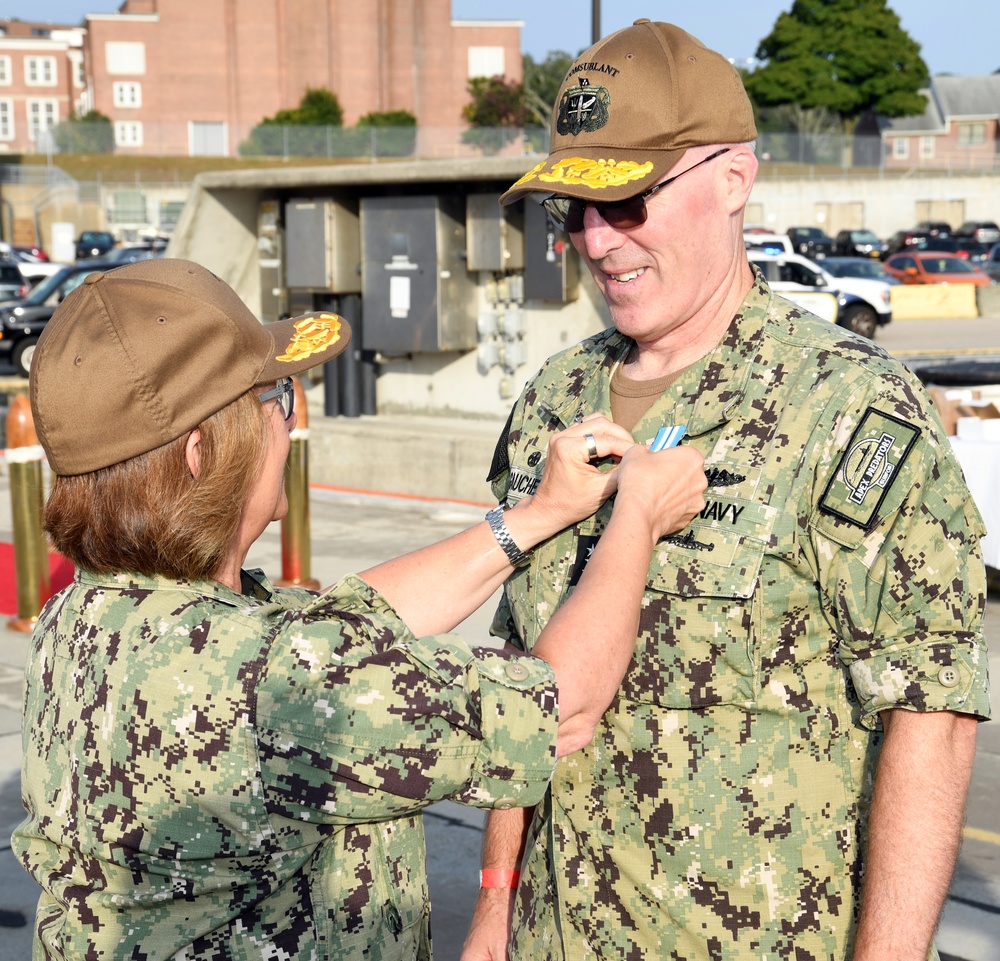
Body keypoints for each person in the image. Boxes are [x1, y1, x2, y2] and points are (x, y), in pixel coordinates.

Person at [463, 19, 992, 961]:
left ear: (734, 180)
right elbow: (520, 675)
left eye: (627, 203)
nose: (597, 238)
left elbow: (932, 715)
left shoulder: (848, 406)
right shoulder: (556, 397)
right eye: (572, 210)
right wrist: (493, 905)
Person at [14, 258, 708, 961]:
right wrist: (639, 514)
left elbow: (349, 618)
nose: (286, 425)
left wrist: (537, 516)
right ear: (201, 452)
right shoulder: (276, 679)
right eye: (275, 398)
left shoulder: (80, 620)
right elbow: (562, 702)